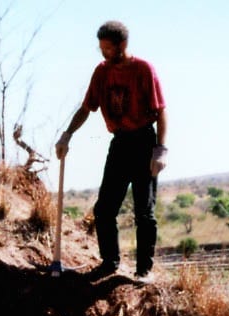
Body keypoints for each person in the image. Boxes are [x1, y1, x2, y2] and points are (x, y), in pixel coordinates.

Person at [54, 20, 167, 281]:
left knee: (144, 212)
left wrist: (160, 149)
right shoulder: (102, 72)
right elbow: (86, 108)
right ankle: (109, 262)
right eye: (100, 49)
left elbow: (161, 111)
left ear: (122, 45)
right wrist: (67, 134)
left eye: (108, 49)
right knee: (104, 209)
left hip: (144, 142)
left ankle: (143, 271)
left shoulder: (142, 69)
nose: (104, 54)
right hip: (120, 143)